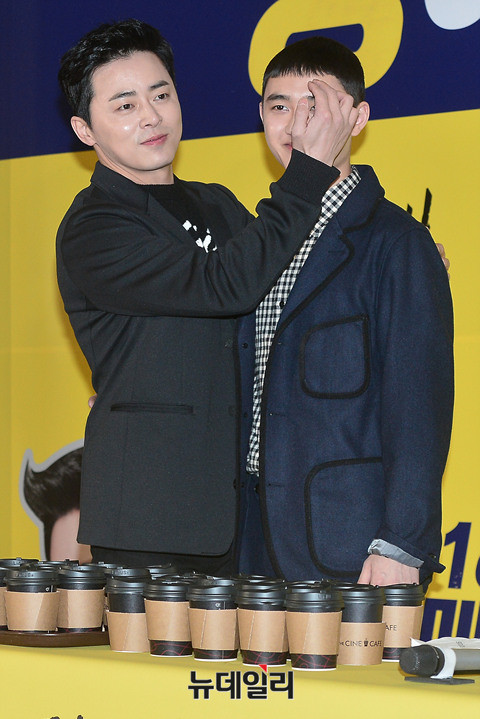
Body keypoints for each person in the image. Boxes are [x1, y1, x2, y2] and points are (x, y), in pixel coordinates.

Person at [56, 20, 358, 573]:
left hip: (238, 505)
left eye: (161, 95)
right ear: (84, 128)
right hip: (150, 511)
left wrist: (387, 262)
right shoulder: (94, 227)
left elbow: (285, 282)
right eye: (125, 105)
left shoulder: (215, 203)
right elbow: (225, 284)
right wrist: (309, 172)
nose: (151, 116)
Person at [236, 37, 454, 587]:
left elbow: (419, 408)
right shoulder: (251, 244)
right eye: (279, 106)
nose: (295, 124)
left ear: (356, 119)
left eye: (315, 105)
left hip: (347, 546)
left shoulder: (398, 243)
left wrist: (402, 544)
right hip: (241, 543)